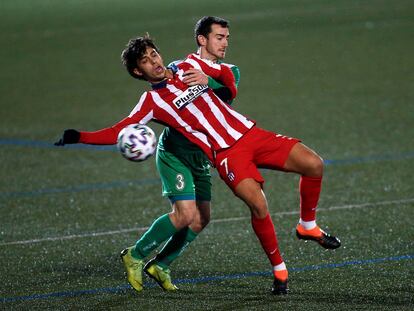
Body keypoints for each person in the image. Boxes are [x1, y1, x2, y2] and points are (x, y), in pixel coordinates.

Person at [55, 34, 340, 295]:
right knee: (187, 215)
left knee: (203, 218)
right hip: (183, 154)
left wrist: (209, 79)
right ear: (137, 72)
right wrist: (79, 136)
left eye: (154, 54)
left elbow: (232, 75)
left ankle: (161, 264)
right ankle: (136, 255)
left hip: (209, 151)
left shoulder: (184, 66)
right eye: (145, 61)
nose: (154, 61)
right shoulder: (151, 101)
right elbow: (120, 129)